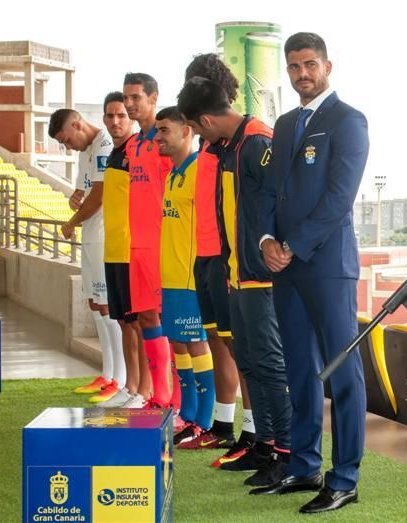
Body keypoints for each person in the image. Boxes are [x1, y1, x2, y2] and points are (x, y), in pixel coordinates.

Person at [253, 32, 370, 515]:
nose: (303, 73)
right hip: (284, 267)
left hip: (327, 267)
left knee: (341, 373)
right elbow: (268, 194)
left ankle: (344, 479)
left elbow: (339, 200)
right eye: (295, 66)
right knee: (299, 369)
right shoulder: (283, 125)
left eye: (310, 64)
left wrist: (293, 246)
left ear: (327, 66)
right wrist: (265, 242)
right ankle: (304, 467)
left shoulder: (348, 120)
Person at [177, 77, 291, 488]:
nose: (200, 137)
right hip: (236, 273)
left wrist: (271, 253)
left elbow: (283, 203)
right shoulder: (229, 146)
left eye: (198, 128)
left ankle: (287, 451)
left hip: (260, 277)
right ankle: (264, 444)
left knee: (268, 364)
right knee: (249, 362)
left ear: (205, 120)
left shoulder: (258, 141)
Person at [179, 54, 257, 462]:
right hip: (204, 254)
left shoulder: (237, 140)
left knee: (241, 347)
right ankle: (224, 425)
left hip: (230, 259)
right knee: (218, 340)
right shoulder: (210, 144)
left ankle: (253, 432)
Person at [48, 108, 124, 403]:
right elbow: (83, 191)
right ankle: (107, 374)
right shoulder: (85, 151)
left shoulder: (105, 143)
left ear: (77, 124)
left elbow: (100, 195)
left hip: (105, 237)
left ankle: (121, 378)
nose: (68, 147)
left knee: (109, 308)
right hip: (90, 238)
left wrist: (71, 222)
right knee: (95, 305)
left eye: (67, 140)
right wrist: (73, 199)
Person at [154, 107, 215, 445]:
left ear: (187, 131)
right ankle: (187, 413)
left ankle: (204, 421)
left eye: (165, 130)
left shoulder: (198, 171)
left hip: (191, 278)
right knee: (178, 343)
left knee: (196, 343)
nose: (159, 137)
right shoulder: (171, 174)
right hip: (170, 276)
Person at [122, 72, 177, 410]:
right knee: (144, 319)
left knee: (167, 321)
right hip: (136, 245)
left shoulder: (165, 140)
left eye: (136, 98)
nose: (129, 104)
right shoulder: (132, 144)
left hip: (161, 245)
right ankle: (158, 394)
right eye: (126, 98)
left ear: (153, 98)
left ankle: (176, 399)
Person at [95, 92, 149, 409]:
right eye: (110, 115)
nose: (115, 122)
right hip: (112, 250)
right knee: (123, 322)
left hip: (133, 251)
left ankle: (143, 390)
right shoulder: (114, 154)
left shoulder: (137, 152)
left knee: (138, 323)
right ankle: (129, 386)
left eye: (121, 116)